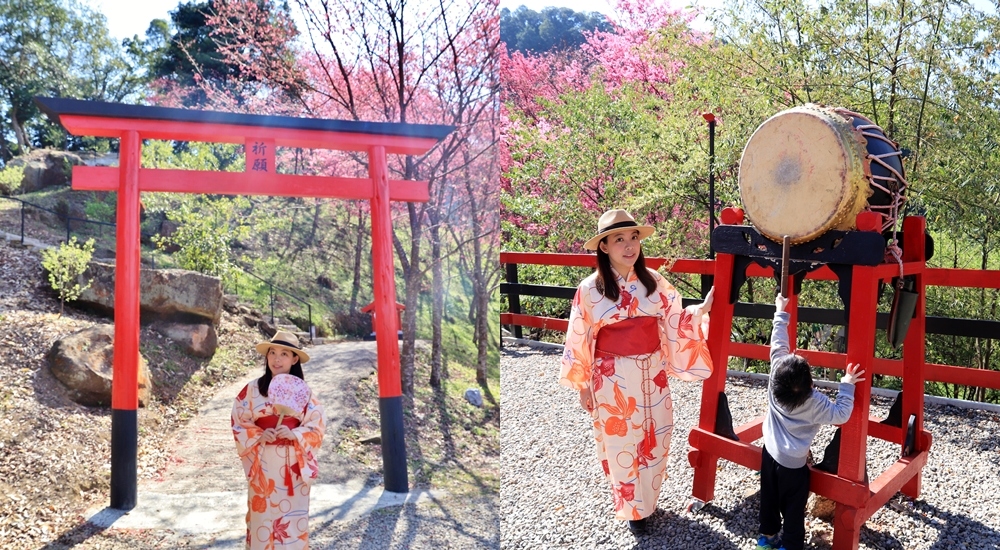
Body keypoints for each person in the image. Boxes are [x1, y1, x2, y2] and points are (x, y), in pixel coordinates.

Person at [559, 209, 715, 535]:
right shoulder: (589, 289)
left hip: (652, 371)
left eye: (633, 238)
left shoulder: (653, 281)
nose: (629, 246)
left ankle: (649, 500)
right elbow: (580, 336)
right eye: (619, 240)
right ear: (604, 246)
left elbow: (675, 319)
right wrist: (584, 385)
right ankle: (633, 510)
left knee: (657, 435)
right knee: (623, 443)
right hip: (611, 376)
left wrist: (699, 312)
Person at [757, 294, 865, 550]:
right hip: (793, 466)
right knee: (794, 509)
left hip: (769, 452)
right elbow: (841, 414)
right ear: (810, 385)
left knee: (769, 498)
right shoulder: (815, 402)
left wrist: (780, 313)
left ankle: (766, 538)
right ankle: (791, 544)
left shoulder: (775, 377)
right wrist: (846, 385)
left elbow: (778, 344)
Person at [232, 330, 326, 550]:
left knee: (291, 523)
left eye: (284, 354)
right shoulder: (252, 390)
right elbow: (239, 422)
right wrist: (259, 434)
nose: (276, 358)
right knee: (261, 519)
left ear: (295, 359)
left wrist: (295, 434)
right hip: (263, 463)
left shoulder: (304, 393)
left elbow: (317, 426)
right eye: (272, 352)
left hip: (293, 467)